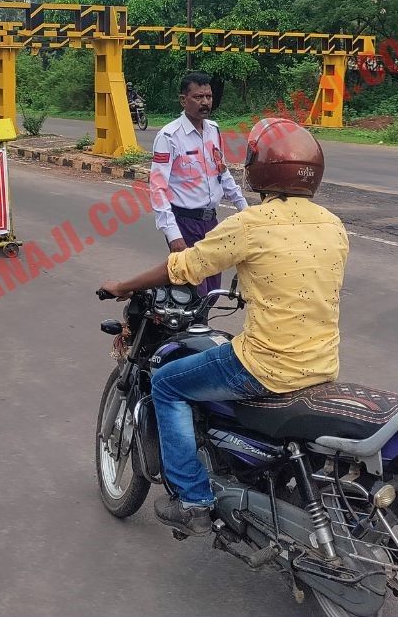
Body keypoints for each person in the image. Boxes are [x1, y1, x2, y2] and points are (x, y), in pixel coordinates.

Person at [100, 118, 349, 536]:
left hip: (266, 365)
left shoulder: (250, 223)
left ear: (259, 168)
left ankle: (194, 499)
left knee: (166, 383)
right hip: (323, 365)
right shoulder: (333, 225)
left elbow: (183, 267)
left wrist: (122, 286)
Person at [149, 72, 248, 298]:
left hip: (211, 222)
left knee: (213, 290)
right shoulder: (169, 136)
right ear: (183, 100)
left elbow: (222, 172)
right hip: (185, 223)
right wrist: (173, 234)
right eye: (198, 97)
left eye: (209, 96)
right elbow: (157, 188)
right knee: (195, 292)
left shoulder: (213, 129)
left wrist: (245, 209)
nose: (205, 102)